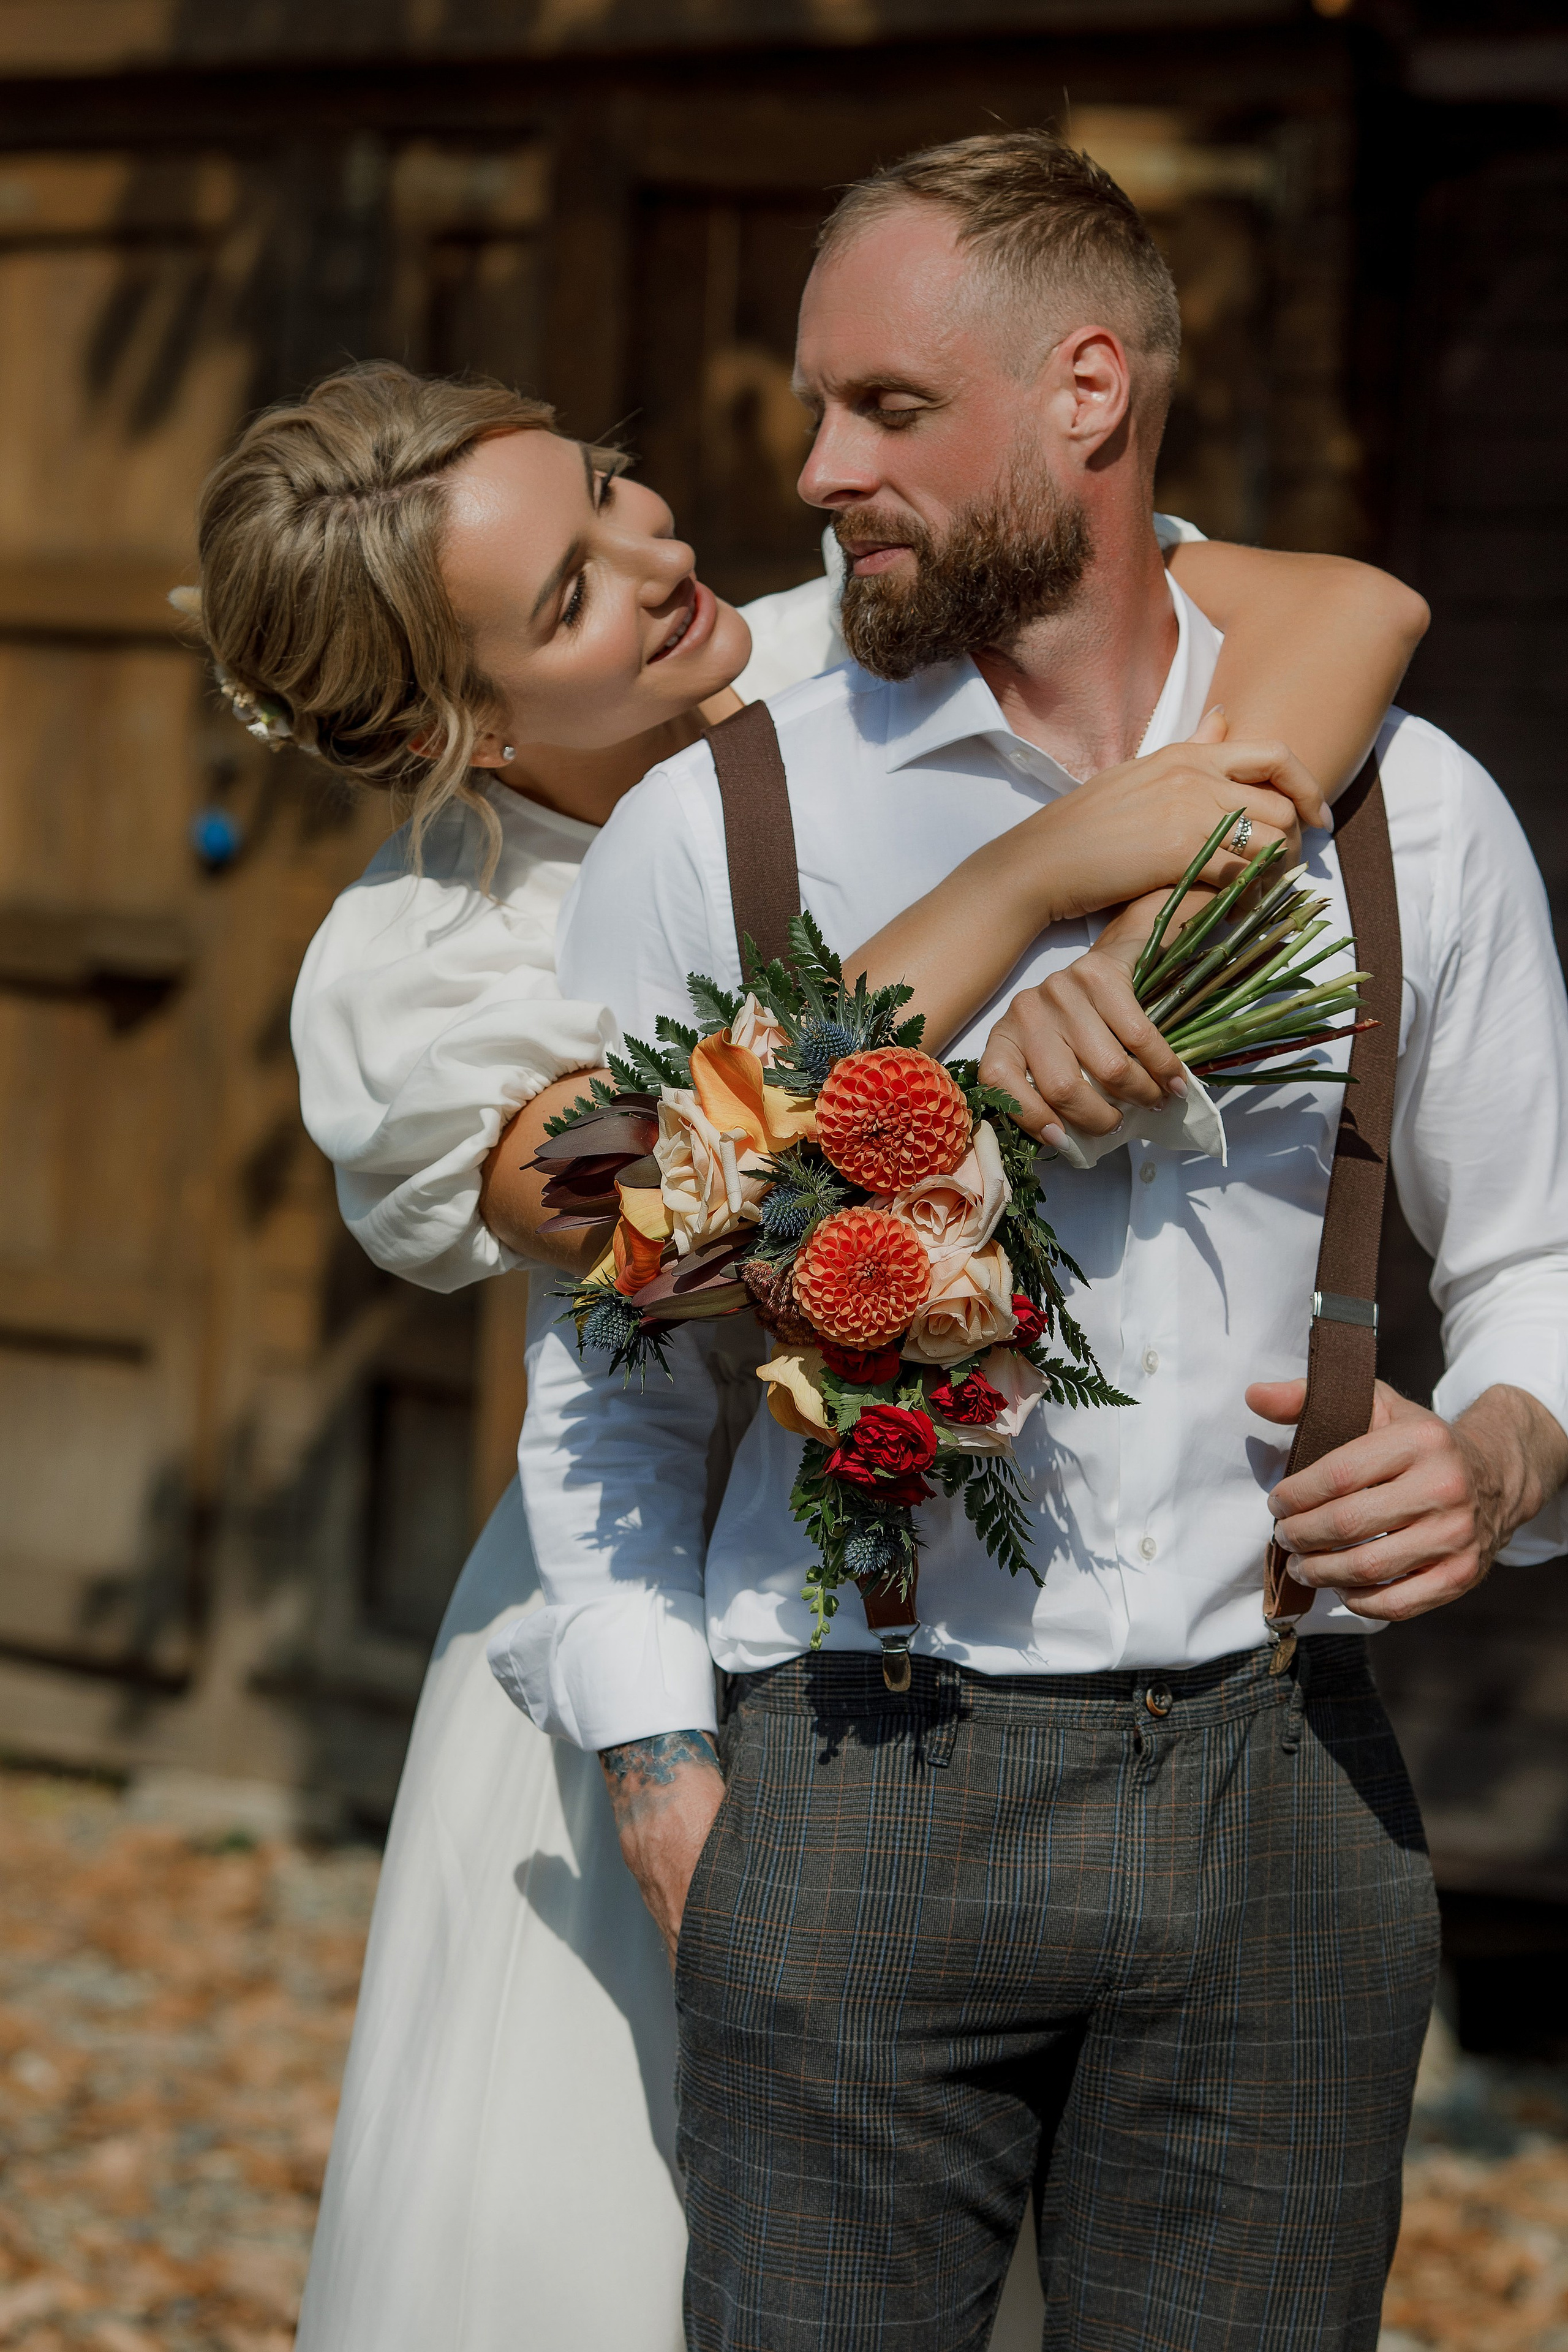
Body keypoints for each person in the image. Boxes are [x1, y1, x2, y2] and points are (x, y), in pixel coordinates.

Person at [189, 361, 1423, 2352]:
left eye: (611, 489)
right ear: (454, 728)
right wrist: (1027, 877)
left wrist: (1157, 925)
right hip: (666, 1619)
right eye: (572, 593)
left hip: (1029, 1615)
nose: (659, 554)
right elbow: (682, 1197)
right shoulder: (423, 973)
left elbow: (1349, 607)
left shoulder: (833, 644)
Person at [492, 130, 1568, 2352]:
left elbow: (1542, 1265)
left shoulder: (1415, 813)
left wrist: (1497, 1457)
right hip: (857, 1781)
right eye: (819, 407)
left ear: (1090, 391)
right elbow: (615, 1368)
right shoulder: (727, 823)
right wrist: (663, 1775)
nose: (818, 471)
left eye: (888, 407)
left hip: (1293, 1792)